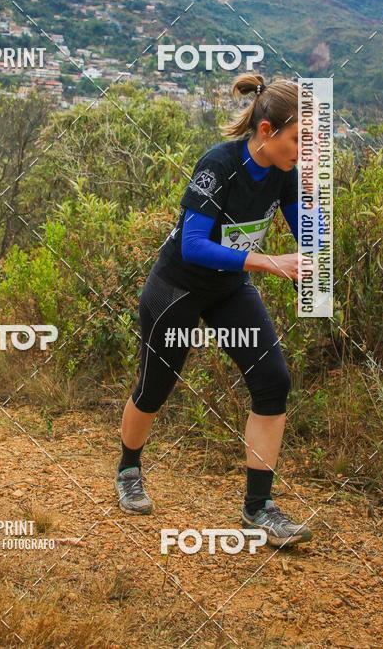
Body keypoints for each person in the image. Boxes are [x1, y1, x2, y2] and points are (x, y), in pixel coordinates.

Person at [115, 74, 312, 547]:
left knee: (273, 382)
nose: (301, 150)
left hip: (229, 289)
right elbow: (194, 244)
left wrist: (319, 239)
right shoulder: (217, 165)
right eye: (296, 139)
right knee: (154, 388)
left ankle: (258, 508)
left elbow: (303, 228)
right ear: (266, 132)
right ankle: (128, 470)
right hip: (177, 287)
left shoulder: (285, 171)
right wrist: (269, 261)